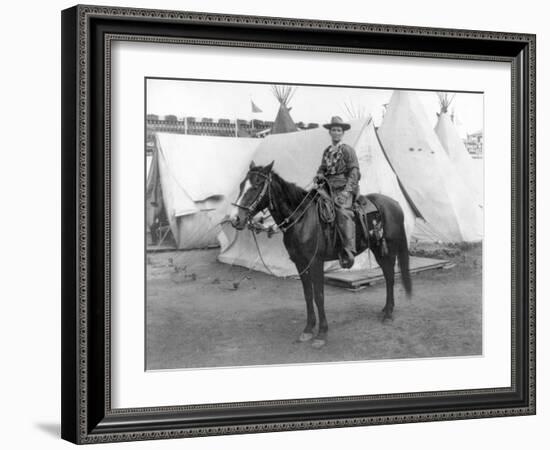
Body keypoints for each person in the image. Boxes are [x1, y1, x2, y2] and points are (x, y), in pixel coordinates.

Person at [314, 116, 361, 268]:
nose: (336, 133)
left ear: (343, 133)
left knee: (342, 211)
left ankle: (348, 251)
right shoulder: (327, 151)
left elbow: (354, 173)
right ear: (330, 132)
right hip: (327, 187)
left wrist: (347, 192)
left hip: (344, 187)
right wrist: (320, 174)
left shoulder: (347, 150)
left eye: (339, 130)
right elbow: (322, 168)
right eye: (333, 130)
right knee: (312, 204)